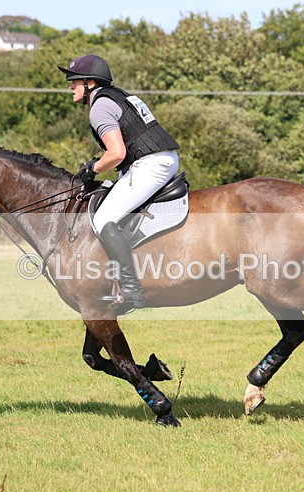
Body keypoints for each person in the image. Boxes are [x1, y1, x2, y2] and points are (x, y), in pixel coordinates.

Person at [59, 54, 181, 314]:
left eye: (74, 81)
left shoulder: (100, 107)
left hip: (150, 164)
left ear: (90, 83)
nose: (70, 86)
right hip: (159, 159)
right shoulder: (117, 96)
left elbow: (116, 154)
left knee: (104, 218)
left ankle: (131, 288)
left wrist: (92, 168)